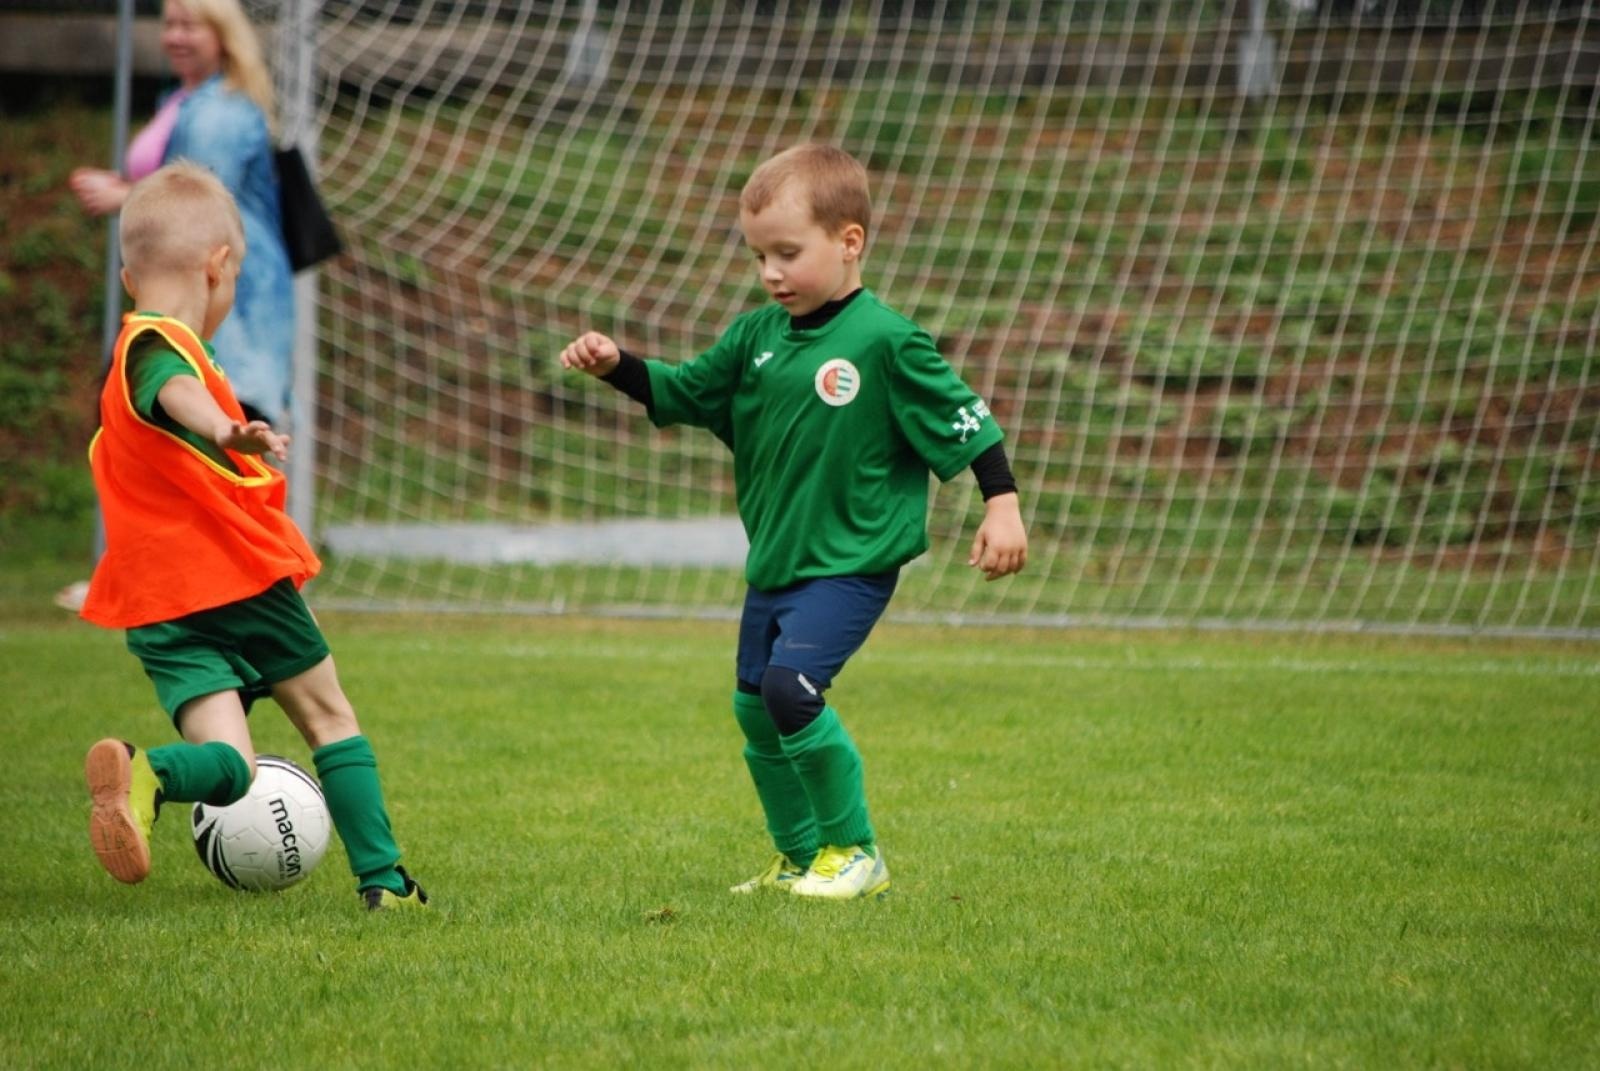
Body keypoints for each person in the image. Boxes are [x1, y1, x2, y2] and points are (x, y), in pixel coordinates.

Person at [559, 143, 1029, 900]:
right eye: (758, 256)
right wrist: (618, 363)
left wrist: (1000, 503)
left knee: (790, 691)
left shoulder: (885, 339)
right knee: (755, 708)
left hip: (851, 560)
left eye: (787, 252)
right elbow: (682, 391)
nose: (770, 272)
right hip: (778, 560)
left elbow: (966, 418)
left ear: (850, 243)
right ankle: (801, 855)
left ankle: (857, 850)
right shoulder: (756, 339)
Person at [79, 161, 426, 912]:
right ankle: (386, 882)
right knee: (328, 715)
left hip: (159, 606)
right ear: (220, 265)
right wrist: (226, 427)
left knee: (230, 766)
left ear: (128, 275)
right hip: (230, 578)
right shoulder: (158, 346)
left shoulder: (134, 345)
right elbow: (176, 393)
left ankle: (151, 774)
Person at [59, 0, 298, 616]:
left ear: (225, 35)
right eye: (168, 23)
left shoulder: (221, 110)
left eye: (192, 23)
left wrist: (124, 194)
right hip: (183, 304)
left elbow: (196, 208)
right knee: (160, 443)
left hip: (224, 310)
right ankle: (157, 576)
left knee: (220, 441)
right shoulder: (182, 100)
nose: (176, 35)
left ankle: (253, 585)